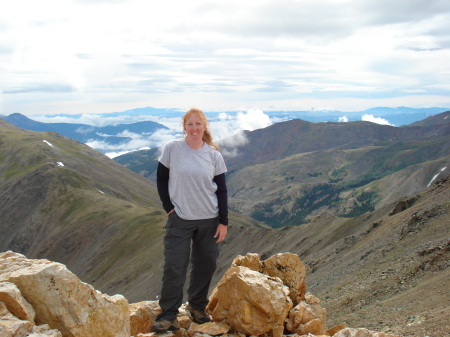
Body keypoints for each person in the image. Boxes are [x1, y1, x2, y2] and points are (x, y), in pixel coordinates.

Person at [151, 108, 228, 333]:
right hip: (180, 219)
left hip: (210, 220)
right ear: (184, 127)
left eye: (198, 124)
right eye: (190, 124)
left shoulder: (213, 154)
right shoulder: (172, 149)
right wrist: (169, 209)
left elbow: (222, 190)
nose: (194, 128)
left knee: (206, 265)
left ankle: (196, 307)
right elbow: (161, 179)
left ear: (205, 127)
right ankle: (168, 315)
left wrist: (223, 221)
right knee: (175, 266)